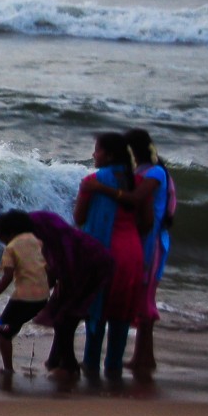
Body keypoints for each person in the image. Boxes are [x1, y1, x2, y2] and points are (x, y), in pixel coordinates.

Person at [82, 128, 174, 371]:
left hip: (146, 243)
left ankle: (136, 359)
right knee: (131, 304)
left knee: (135, 302)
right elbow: (140, 212)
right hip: (137, 242)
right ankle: (136, 359)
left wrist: (101, 190)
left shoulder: (152, 173)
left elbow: (133, 200)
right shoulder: (138, 174)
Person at [0, 210, 114, 378]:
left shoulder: (41, 231)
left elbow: (62, 259)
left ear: (12, 233)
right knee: (61, 314)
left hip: (87, 265)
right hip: (85, 261)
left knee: (65, 317)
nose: (8, 246)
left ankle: (69, 367)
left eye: (6, 241)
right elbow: (51, 265)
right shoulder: (35, 225)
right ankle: (56, 360)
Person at [73, 132, 149, 378]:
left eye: (97, 149)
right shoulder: (137, 182)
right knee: (121, 315)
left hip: (103, 253)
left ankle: (91, 365)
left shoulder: (92, 181)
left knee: (97, 310)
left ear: (109, 154)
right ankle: (114, 368)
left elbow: (79, 218)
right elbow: (147, 221)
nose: (94, 154)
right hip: (131, 254)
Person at [0, 211, 50, 374]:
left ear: (9, 233)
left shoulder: (11, 248)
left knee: (0, 328)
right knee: (11, 325)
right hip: (42, 297)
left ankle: (8, 368)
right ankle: (7, 336)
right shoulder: (37, 241)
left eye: (2, 239)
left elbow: (7, 277)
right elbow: (46, 266)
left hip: (24, 298)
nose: (3, 243)